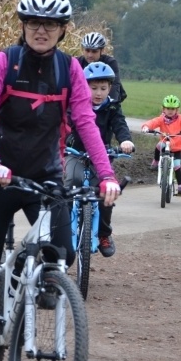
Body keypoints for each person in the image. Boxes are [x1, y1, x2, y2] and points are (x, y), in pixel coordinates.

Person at [0, 0, 121, 361]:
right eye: (34, 23)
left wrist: (106, 175)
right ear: (24, 26)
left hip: (45, 176)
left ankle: (27, 275)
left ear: (63, 30)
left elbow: (85, 122)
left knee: (63, 250)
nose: (41, 30)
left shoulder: (68, 70)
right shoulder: (4, 62)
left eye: (50, 24)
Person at [64, 61, 134, 257]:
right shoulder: (75, 106)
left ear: (110, 88)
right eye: (93, 88)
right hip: (75, 153)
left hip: (102, 157)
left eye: (103, 88)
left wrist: (126, 140)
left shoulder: (112, 107)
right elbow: (65, 124)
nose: (98, 93)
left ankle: (104, 234)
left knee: (106, 194)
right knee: (68, 185)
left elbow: (120, 125)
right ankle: (61, 230)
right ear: (83, 87)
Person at [141, 95, 181, 196]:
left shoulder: (180, 119)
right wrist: (146, 127)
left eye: (173, 109)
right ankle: (156, 161)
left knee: (177, 166)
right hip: (165, 142)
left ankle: (180, 186)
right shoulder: (161, 119)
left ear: (177, 110)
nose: (170, 111)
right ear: (163, 109)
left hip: (176, 147)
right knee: (158, 146)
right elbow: (153, 122)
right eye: (168, 108)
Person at [77, 32, 125, 103]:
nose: (90, 55)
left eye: (94, 51)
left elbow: (115, 85)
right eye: (87, 50)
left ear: (102, 51)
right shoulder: (77, 62)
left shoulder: (110, 62)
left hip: (106, 101)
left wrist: (112, 103)